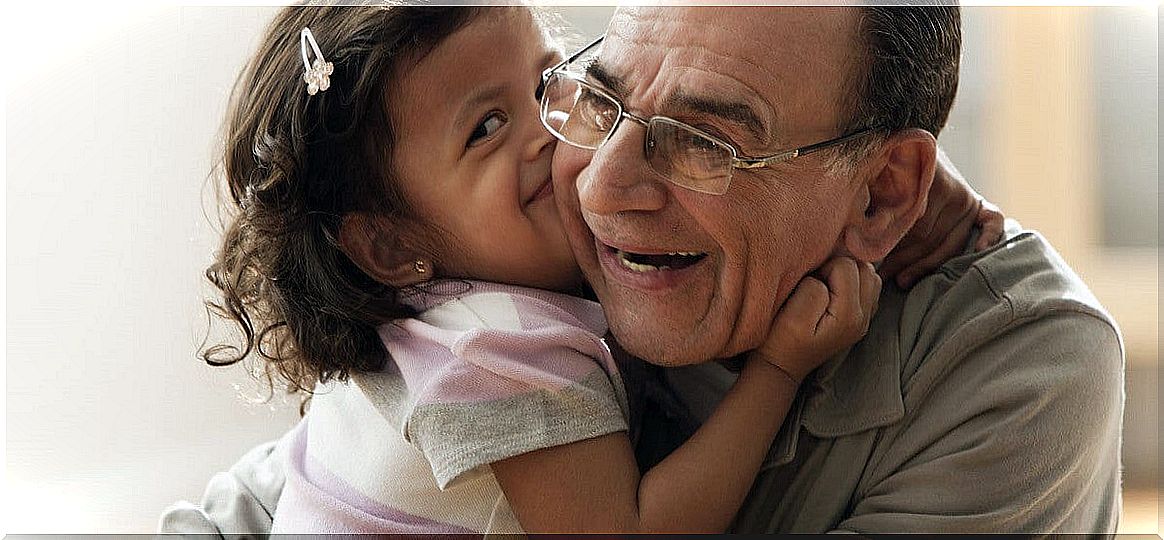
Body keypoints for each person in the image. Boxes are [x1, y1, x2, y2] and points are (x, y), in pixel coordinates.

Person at [158, 5, 1034, 535]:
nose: (593, 163)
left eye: (551, 83)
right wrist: (777, 373)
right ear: (389, 248)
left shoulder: (1020, 368)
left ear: (887, 191)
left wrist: (879, 186)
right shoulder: (494, 352)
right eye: (487, 129)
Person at [545, 5, 1124, 533]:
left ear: (884, 193)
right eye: (601, 103)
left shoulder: (1019, 365)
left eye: (703, 142)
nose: (600, 189)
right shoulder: (510, 218)